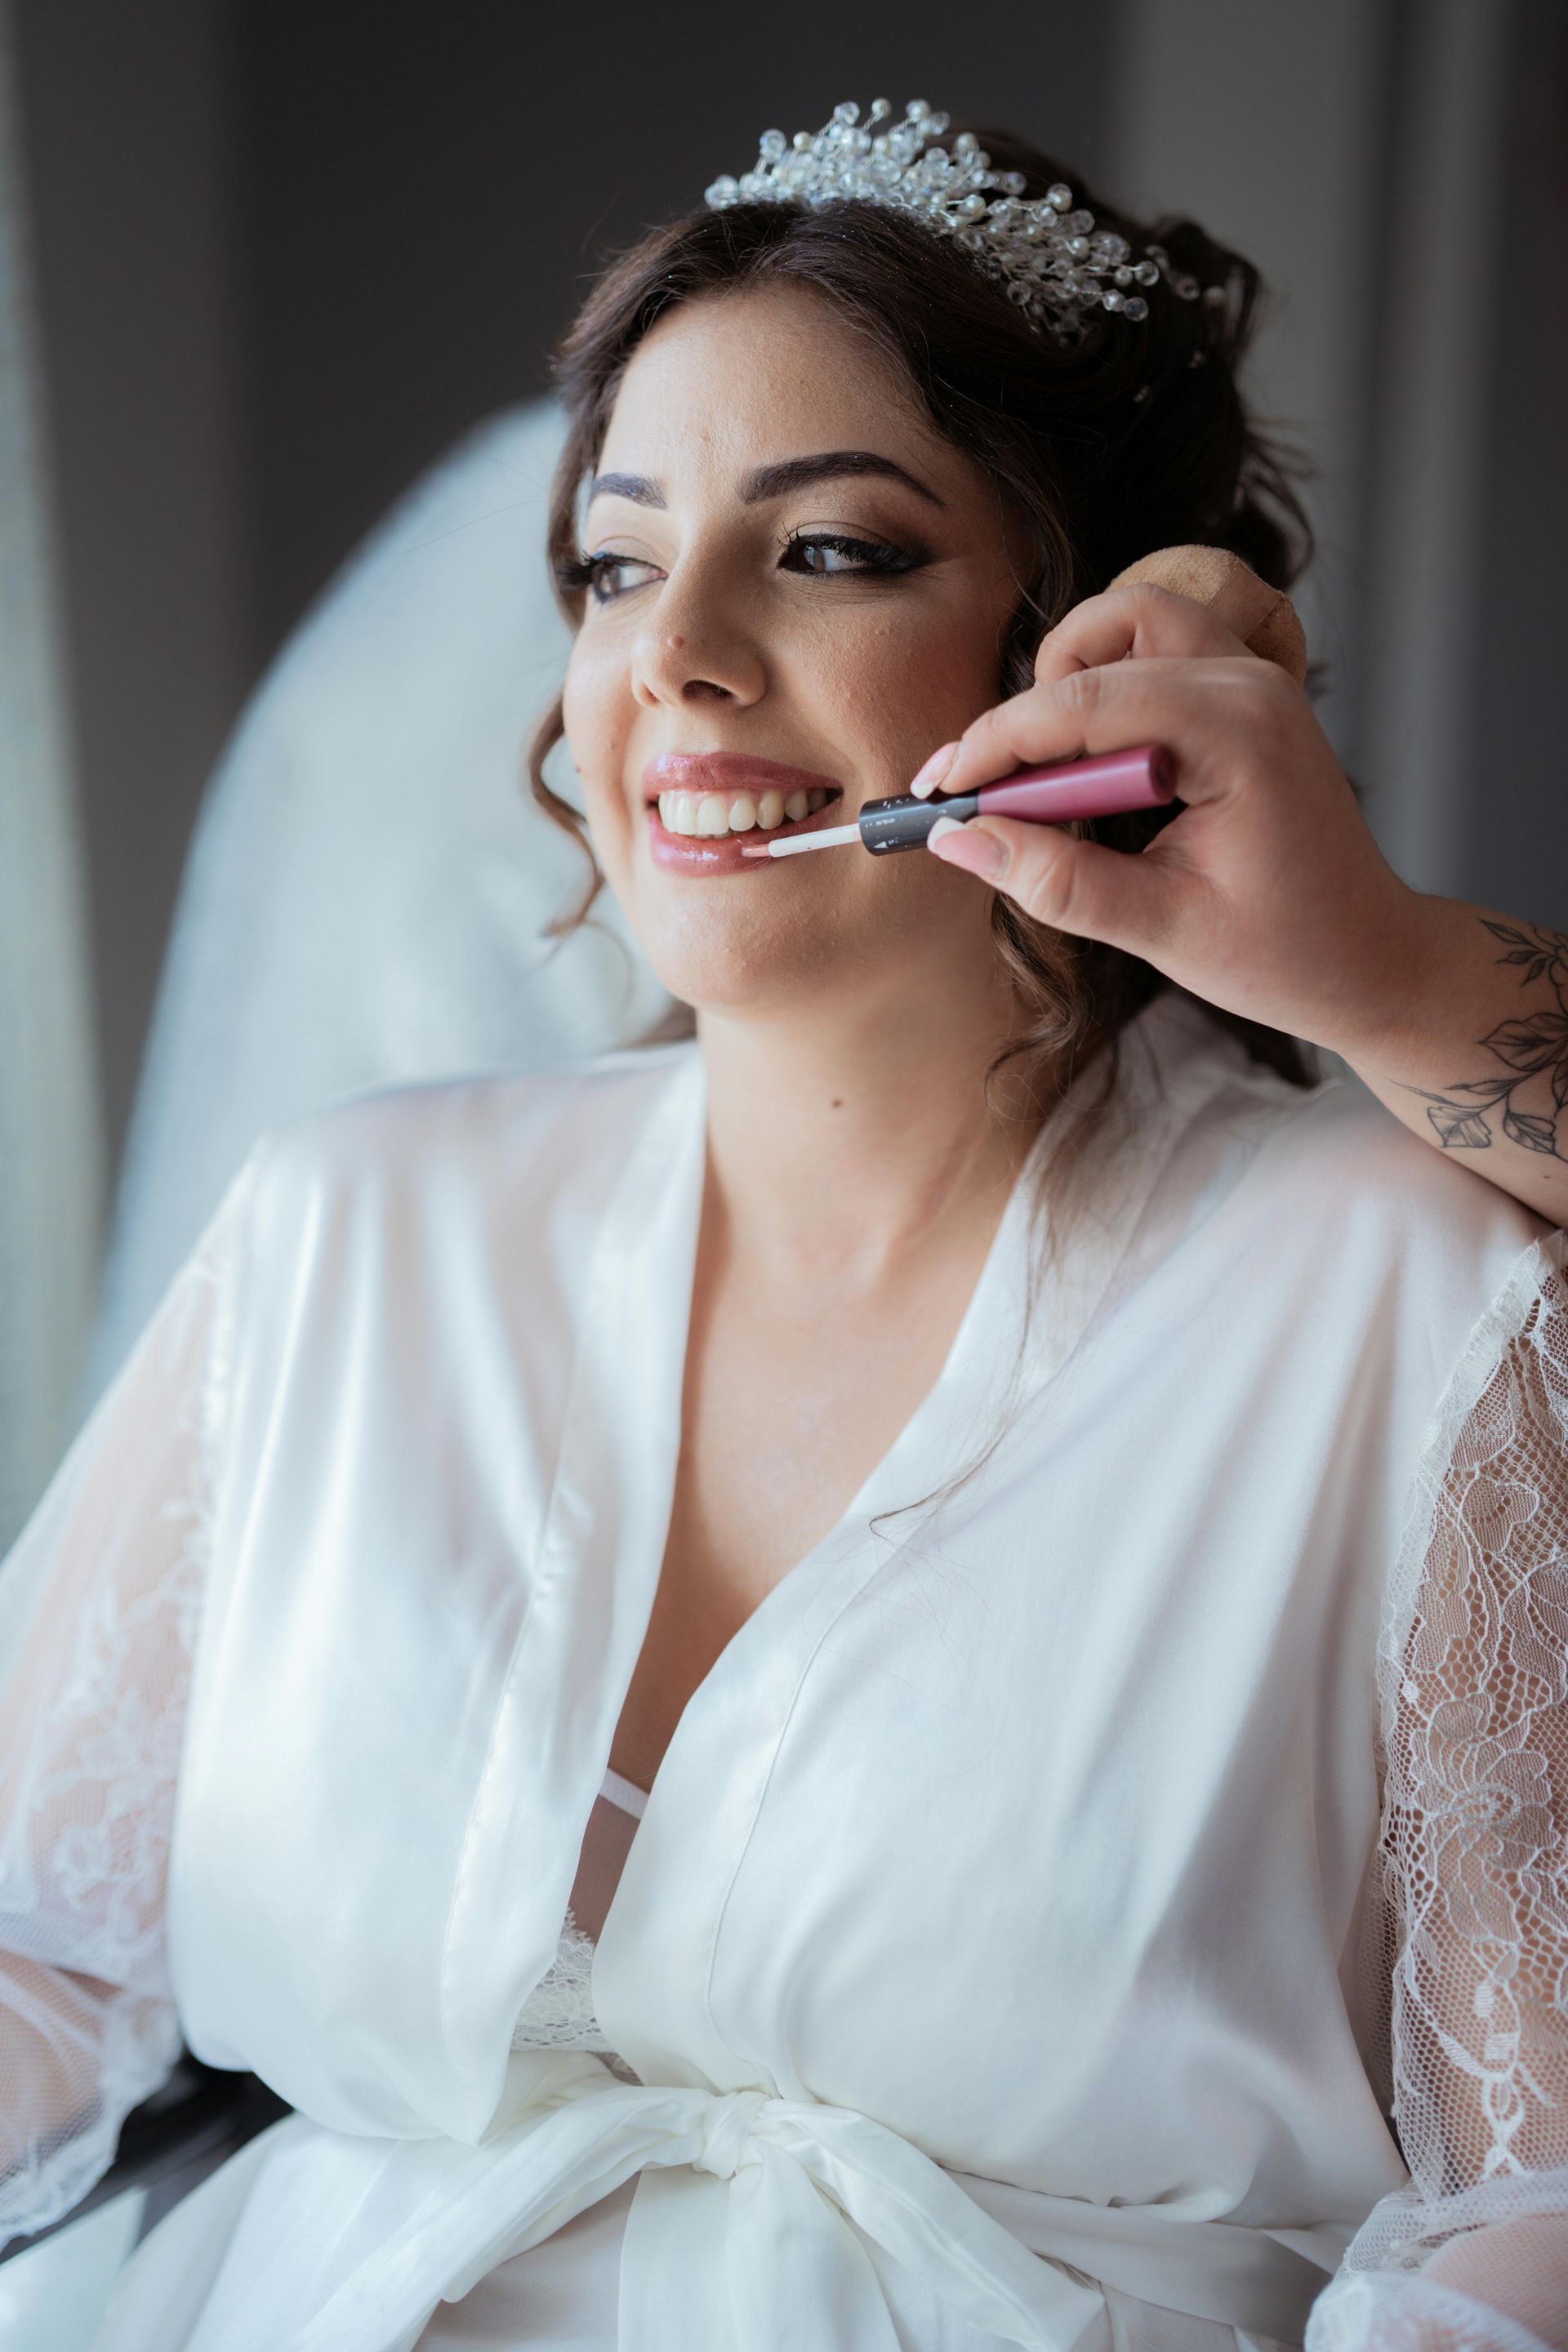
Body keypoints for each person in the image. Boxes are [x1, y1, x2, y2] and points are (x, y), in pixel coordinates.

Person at [1, 100, 1564, 2352]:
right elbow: (46, 1949)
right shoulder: (347, 1233)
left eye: (829, 552)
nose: (683, 662)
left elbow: (1535, 2209)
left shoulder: (1399, 1307)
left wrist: (1360, 948)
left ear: (1088, 656)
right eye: (620, 567)